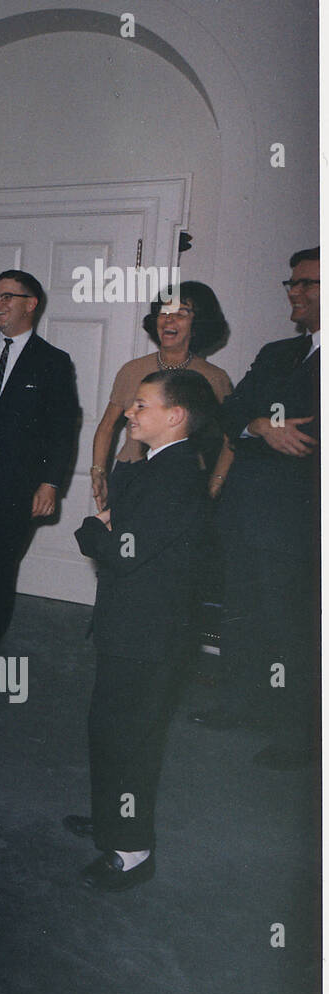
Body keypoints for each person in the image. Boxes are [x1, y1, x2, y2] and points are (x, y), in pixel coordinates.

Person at [70, 370, 217, 889]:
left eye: (141, 406)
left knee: (130, 737)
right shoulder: (154, 467)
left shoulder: (175, 478)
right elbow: (119, 531)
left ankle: (131, 850)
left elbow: (118, 547)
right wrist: (107, 527)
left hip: (149, 637)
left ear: (175, 417)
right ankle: (113, 817)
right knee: (109, 728)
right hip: (131, 626)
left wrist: (92, 529)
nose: (129, 413)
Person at [198, 249, 320, 768]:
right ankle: (239, 704)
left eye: (307, 283)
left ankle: (303, 735)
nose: (294, 292)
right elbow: (231, 409)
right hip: (248, 512)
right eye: (290, 283)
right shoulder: (276, 353)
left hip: (305, 520)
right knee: (243, 613)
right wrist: (262, 426)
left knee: (297, 624)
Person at [0, 269, 79, 652]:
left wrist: (50, 483)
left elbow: (62, 428)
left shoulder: (53, 362)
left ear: (31, 304)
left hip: (15, 487)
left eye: (8, 296)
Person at [90, 281, 233, 506]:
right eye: (164, 311)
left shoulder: (215, 378)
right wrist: (98, 470)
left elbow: (230, 438)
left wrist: (216, 481)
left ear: (198, 324)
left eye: (181, 313)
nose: (169, 319)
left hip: (185, 479)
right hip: (131, 473)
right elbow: (107, 425)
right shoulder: (132, 370)